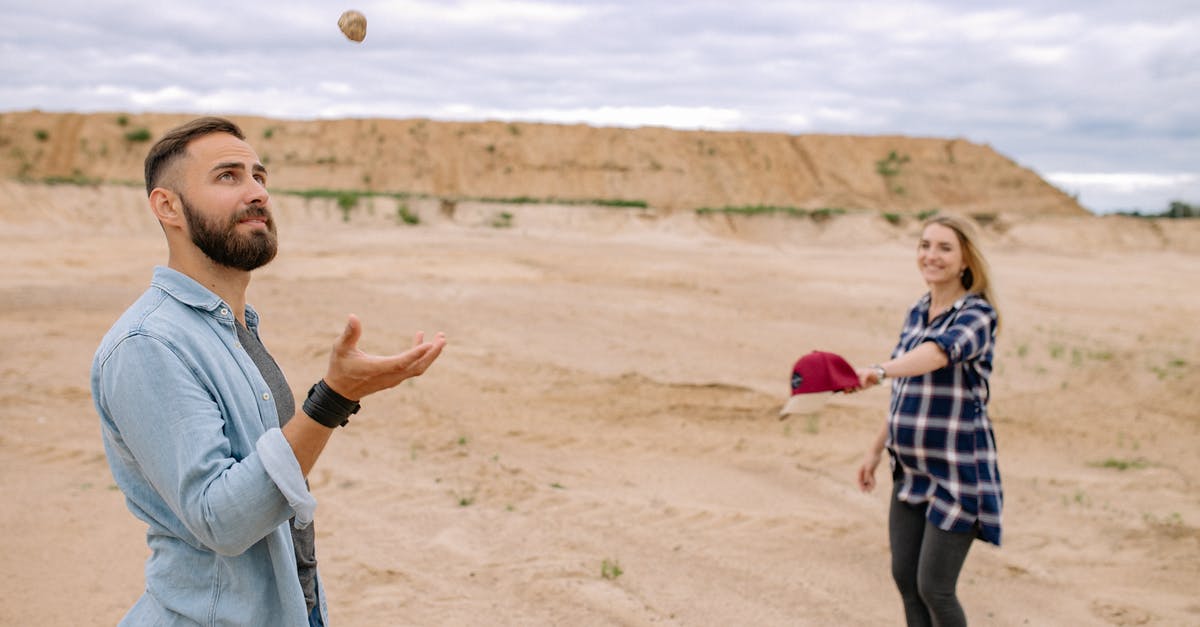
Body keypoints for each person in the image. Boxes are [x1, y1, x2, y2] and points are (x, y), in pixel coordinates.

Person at [90, 116, 447, 626]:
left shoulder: (231, 328)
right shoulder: (149, 344)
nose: (257, 192)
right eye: (227, 176)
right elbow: (223, 521)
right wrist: (332, 400)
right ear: (167, 206)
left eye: (260, 176)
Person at [853, 214, 1002, 627]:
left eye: (944, 248)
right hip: (912, 471)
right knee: (905, 578)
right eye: (924, 245)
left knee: (934, 585)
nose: (930, 256)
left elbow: (938, 354)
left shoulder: (977, 315)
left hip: (958, 472)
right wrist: (874, 449)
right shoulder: (918, 310)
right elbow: (906, 391)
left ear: (966, 259)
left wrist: (879, 370)